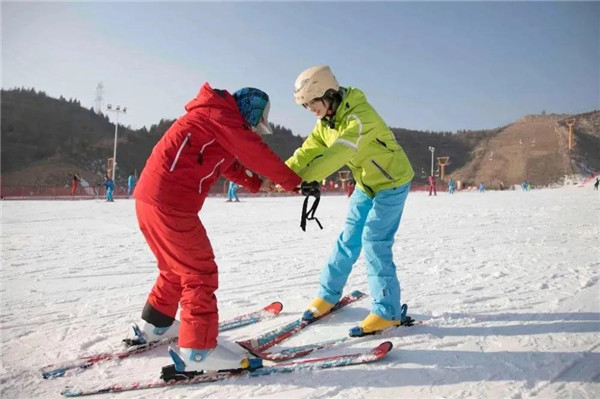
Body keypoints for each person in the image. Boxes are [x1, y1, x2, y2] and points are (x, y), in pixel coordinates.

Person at [130, 83, 301, 376]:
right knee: (199, 272)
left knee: (174, 268)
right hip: (171, 205)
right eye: (257, 121)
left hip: (150, 201)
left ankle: (156, 323)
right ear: (250, 111)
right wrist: (292, 180)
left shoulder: (213, 121)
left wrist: (258, 184)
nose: (256, 128)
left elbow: (227, 164)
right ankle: (199, 352)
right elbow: (251, 149)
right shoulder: (221, 117)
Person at [282, 65, 414, 336]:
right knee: (348, 239)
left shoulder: (359, 117)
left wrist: (308, 178)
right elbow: (308, 150)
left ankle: (387, 311)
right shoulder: (326, 123)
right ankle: (328, 295)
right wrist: (284, 174)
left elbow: (339, 153)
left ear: (327, 94)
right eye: (305, 106)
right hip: (366, 185)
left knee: (374, 240)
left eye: (312, 103)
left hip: (392, 182)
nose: (310, 110)